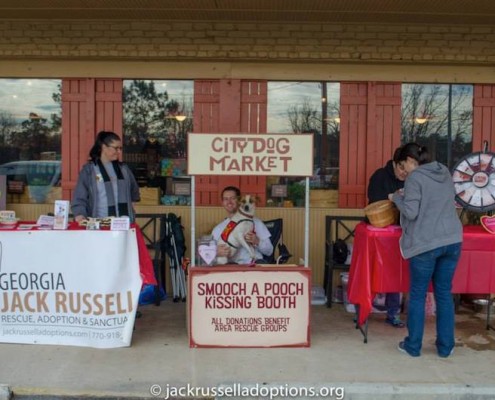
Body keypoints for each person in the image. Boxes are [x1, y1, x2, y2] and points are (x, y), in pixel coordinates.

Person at [389, 143, 462, 358]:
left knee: (418, 295)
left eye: (403, 165)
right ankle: (446, 347)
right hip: (452, 239)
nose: (403, 171)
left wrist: (396, 198)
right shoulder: (444, 172)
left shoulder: (415, 177)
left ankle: (413, 346)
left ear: (412, 161)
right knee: (444, 294)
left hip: (426, 243)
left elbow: (411, 212)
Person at [367, 146, 408, 328]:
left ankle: (393, 313)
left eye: (407, 171)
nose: (404, 174)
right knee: (372, 271)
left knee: (395, 273)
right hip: (377, 230)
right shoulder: (379, 176)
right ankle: (364, 309)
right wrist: (393, 197)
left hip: (400, 231)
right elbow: (373, 198)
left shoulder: (412, 179)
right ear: (394, 163)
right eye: (401, 169)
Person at [72, 130, 140, 223]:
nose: (119, 151)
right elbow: (79, 197)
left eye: (120, 148)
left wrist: (131, 208)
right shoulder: (89, 171)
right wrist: (80, 215)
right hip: (98, 225)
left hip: (124, 224)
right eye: (116, 148)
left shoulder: (124, 169)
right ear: (104, 147)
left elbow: (134, 191)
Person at [212, 186, 273, 264]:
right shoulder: (218, 229)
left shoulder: (256, 223)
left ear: (239, 201)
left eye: (233, 198)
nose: (229, 202)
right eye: (226, 199)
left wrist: (257, 241)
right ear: (222, 202)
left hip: (254, 264)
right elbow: (207, 255)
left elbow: (269, 251)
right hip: (230, 267)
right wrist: (215, 252)